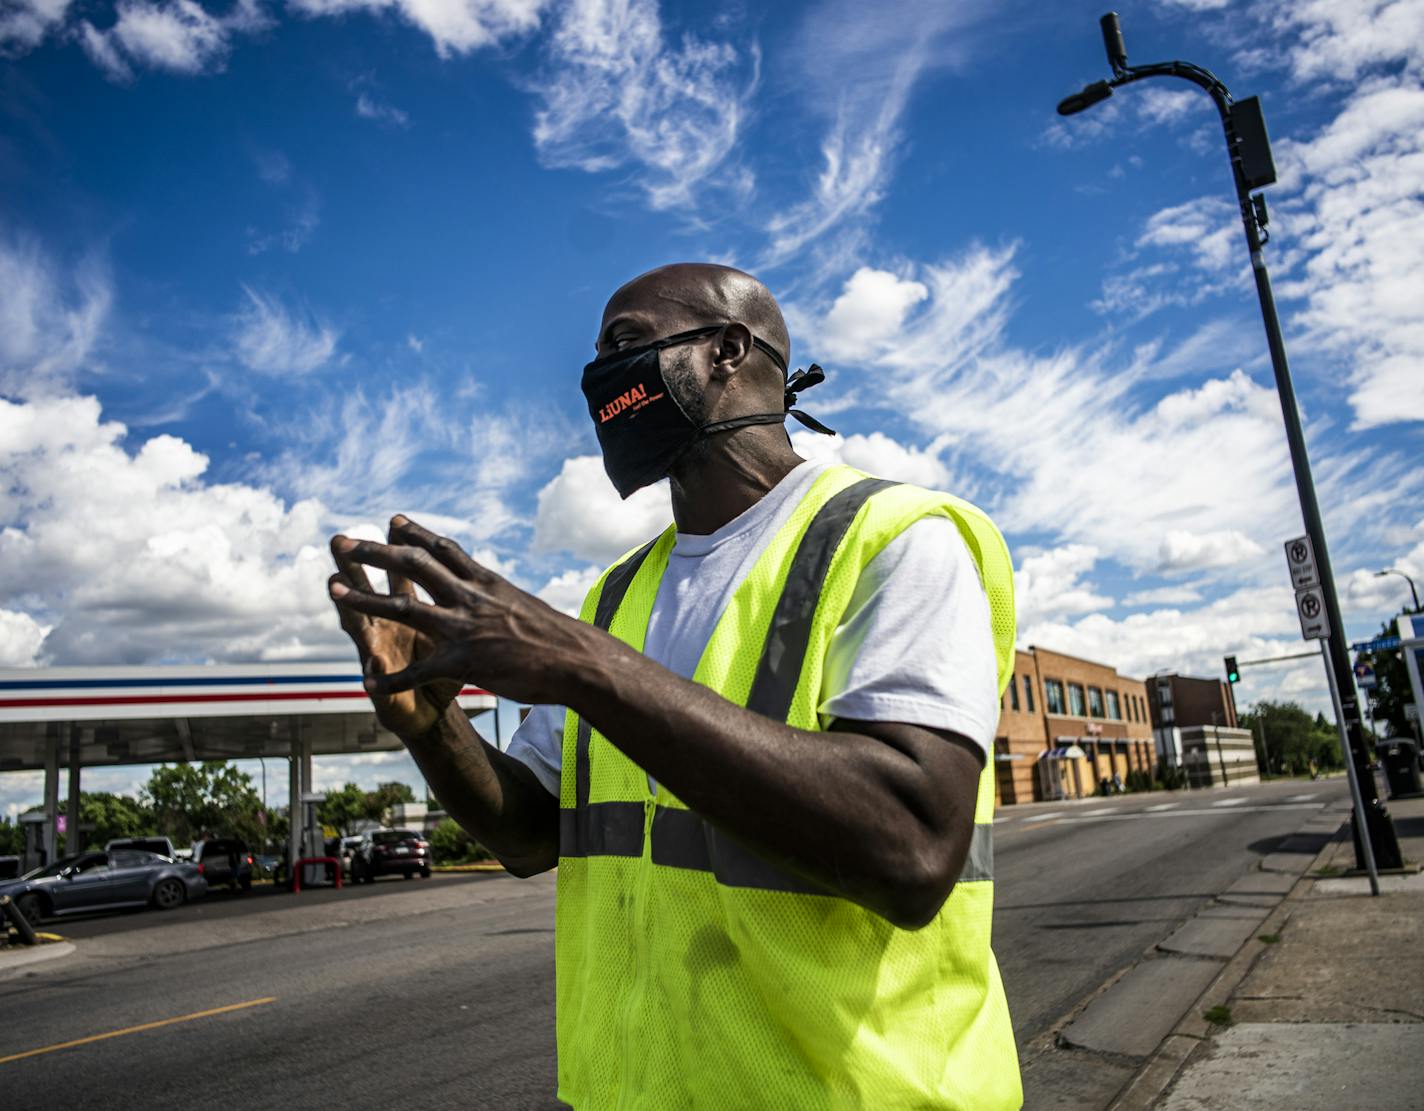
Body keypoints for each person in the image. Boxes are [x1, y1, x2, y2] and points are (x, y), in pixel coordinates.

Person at [327, 263, 1022, 1109]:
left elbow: (913, 849)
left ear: (729, 349)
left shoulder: (894, 538)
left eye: (625, 344)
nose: (599, 380)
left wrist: (581, 663)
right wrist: (432, 728)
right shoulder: (617, 595)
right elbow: (530, 836)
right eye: (594, 356)